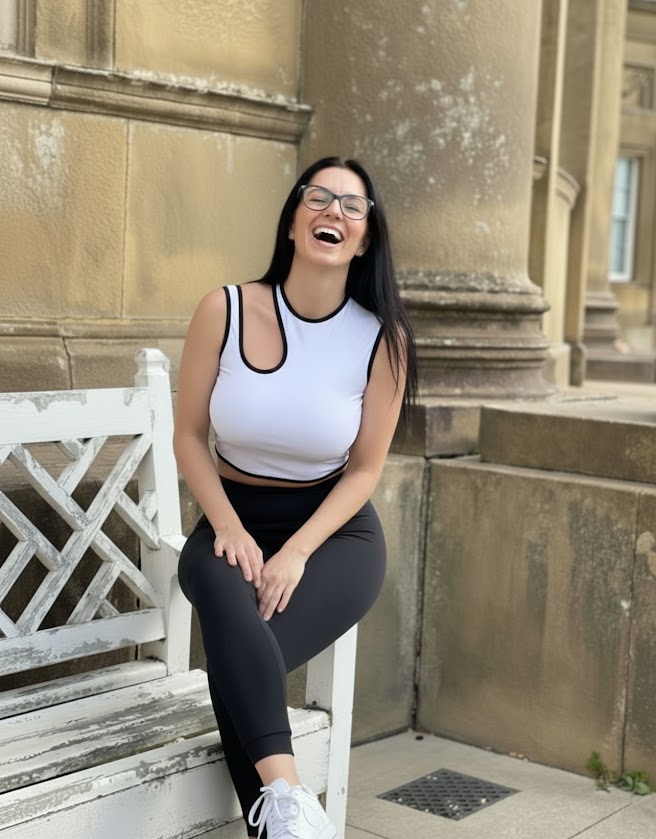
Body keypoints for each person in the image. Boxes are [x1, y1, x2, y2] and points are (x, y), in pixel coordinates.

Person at [174, 155, 417, 839]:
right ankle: (290, 801)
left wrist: (299, 552)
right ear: (291, 222)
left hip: (335, 535)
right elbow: (188, 437)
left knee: (237, 664)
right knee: (233, 633)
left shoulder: (383, 341)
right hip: (230, 521)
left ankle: (283, 814)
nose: (333, 210)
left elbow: (364, 470)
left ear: (364, 239)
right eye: (318, 197)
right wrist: (228, 527)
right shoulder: (222, 309)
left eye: (352, 205)